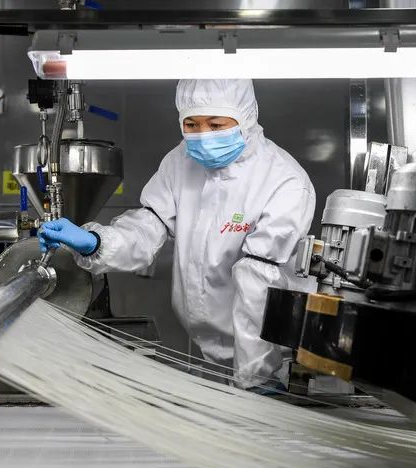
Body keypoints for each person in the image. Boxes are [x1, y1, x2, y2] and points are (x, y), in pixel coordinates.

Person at [39, 79, 316, 392]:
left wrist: (257, 378)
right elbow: (149, 226)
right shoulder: (180, 162)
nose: (203, 135)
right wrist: (97, 243)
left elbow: (259, 285)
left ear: (246, 119)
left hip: (271, 358)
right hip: (207, 352)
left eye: (216, 124)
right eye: (191, 124)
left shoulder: (284, 181)